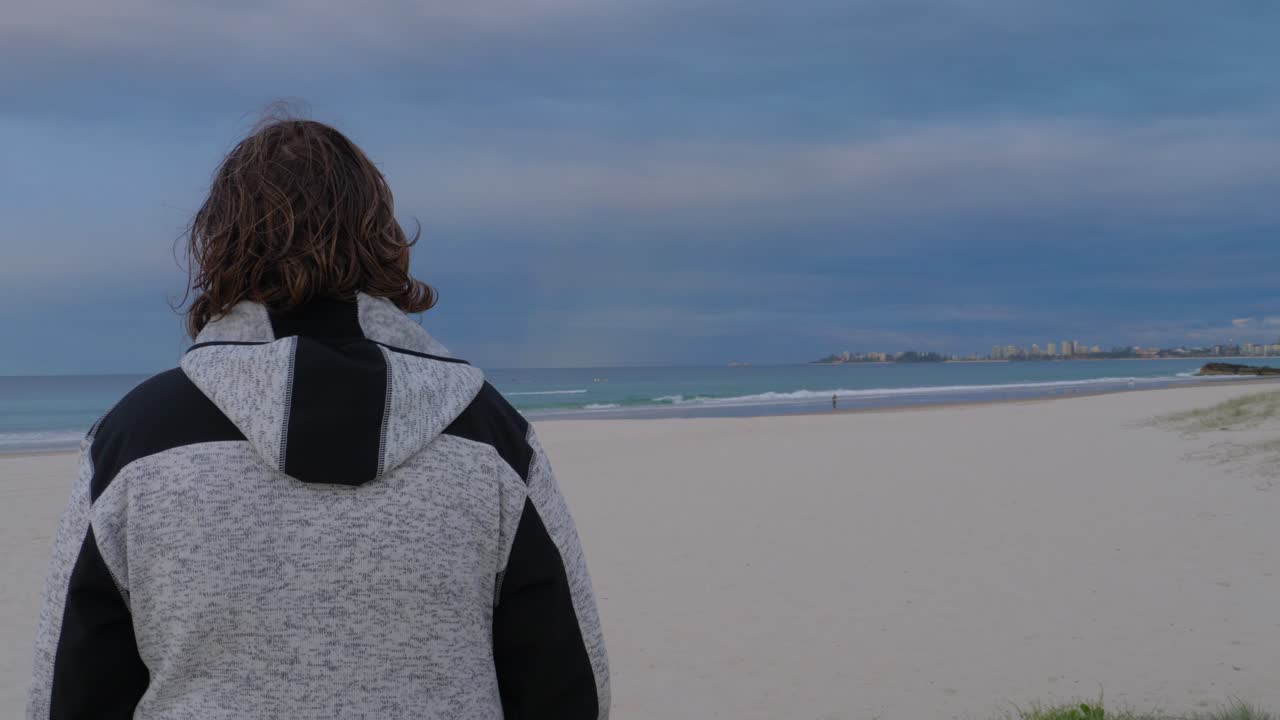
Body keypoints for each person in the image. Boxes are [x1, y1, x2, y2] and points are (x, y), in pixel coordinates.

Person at [27, 117, 609, 719]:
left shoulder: (134, 443)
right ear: (385, 240)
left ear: (217, 243)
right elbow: (569, 684)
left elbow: (69, 690)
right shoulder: (490, 436)